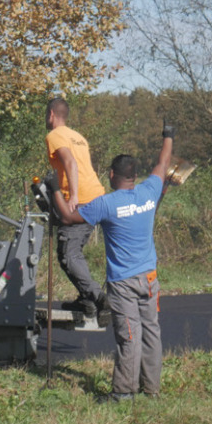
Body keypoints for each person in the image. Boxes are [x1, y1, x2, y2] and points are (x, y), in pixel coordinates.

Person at [56, 123, 175, 402]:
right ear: (134, 176)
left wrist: (52, 190)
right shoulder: (149, 191)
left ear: (111, 175)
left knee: (129, 335)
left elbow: (67, 218)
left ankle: (123, 393)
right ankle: (151, 390)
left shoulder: (106, 204)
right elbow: (163, 162)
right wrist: (169, 134)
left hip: (122, 283)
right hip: (149, 277)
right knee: (150, 332)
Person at [45, 97, 106, 319]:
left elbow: (70, 162)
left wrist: (75, 196)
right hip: (97, 196)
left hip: (82, 199)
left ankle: (99, 298)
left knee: (68, 254)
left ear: (52, 114)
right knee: (70, 252)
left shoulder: (55, 135)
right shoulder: (77, 136)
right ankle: (86, 299)